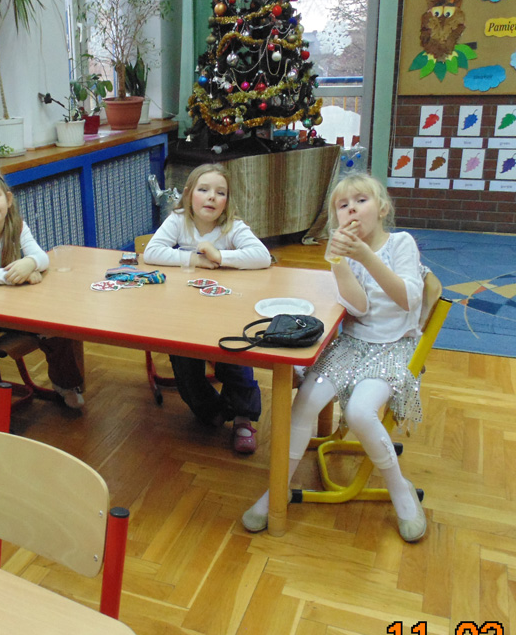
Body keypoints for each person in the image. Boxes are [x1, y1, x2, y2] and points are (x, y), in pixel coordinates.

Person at [241, 172, 428, 542]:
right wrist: (340, 263)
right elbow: (359, 307)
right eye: (343, 205)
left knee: (359, 412)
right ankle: (277, 489)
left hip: (392, 349)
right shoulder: (347, 254)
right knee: (304, 405)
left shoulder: (401, 243)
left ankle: (400, 490)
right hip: (351, 346)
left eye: (361, 200)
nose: (351, 209)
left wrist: (365, 256)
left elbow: (409, 299)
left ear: (382, 208)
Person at [142, 162, 271, 454]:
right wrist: (195, 260)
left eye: (220, 192)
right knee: (184, 364)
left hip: (225, 313)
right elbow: (151, 252)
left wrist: (220, 256)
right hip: (184, 315)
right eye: (204, 190)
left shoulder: (232, 227)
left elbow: (262, 256)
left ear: (227, 201)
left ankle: (243, 418)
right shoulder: (178, 220)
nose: (212, 197)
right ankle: (212, 408)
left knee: (235, 360)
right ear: (189, 194)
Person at [0, 168, 86, 409]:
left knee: (58, 329)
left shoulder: (17, 226)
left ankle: (66, 385)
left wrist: (29, 263)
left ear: (8, 200)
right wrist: (14, 277)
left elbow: (41, 257)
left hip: (12, 310)